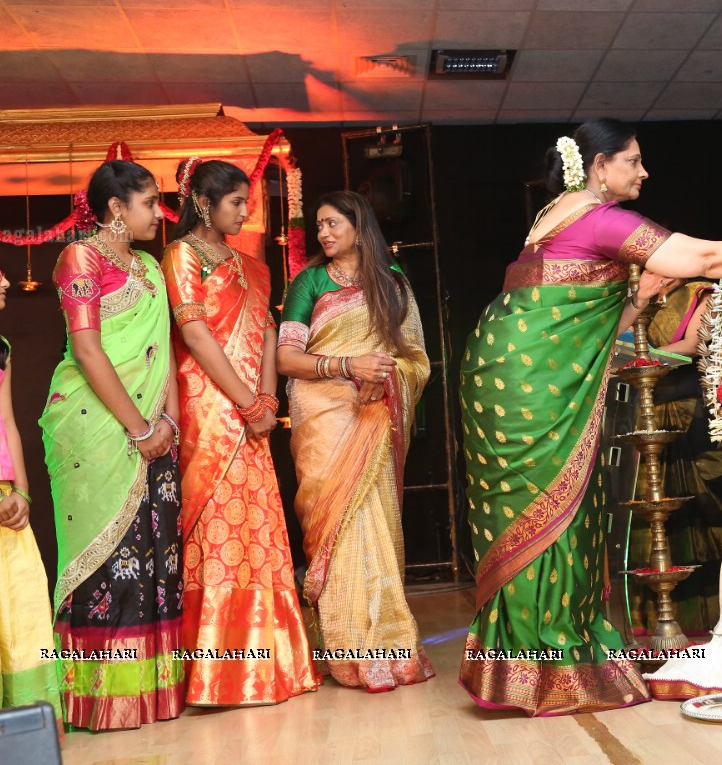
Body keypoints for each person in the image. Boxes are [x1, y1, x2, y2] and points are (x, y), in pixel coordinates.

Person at [458, 118, 722, 716]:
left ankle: (538, 665)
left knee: (565, 506)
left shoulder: (552, 218)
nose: (643, 172)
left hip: (511, 373)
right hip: (532, 385)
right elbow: (708, 256)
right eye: (632, 161)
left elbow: (591, 328)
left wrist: (641, 298)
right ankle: (547, 666)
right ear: (598, 166)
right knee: (552, 512)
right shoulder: (598, 218)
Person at [161, 159, 319, 706]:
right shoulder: (181, 256)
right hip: (209, 409)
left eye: (247, 200)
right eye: (235, 202)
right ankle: (215, 674)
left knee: (259, 528)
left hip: (254, 414)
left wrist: (267, 402)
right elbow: (196, 334)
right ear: (204, 204)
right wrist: (249, 400)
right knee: (217, 532)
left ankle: (270, 667)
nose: (246, 209)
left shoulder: (253, 266)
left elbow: (269, 333)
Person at [39, 160, 185, 730]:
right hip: (97, 428)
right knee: (107, 558)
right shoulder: (80, 258)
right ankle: (102, 701)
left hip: (156, 428)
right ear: (117, 207)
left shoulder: (148, 266)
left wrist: (168, 422)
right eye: (149, 202)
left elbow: (164, 350)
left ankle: (152, 692)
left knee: (156, 554)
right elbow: (88, 351)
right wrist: (141, 429)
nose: (158, 212)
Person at [276, 191, 432, 692]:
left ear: (359, 227)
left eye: (332, 224)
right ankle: (345, 649)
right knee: (336, 525)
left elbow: (415, 358)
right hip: (322, 413)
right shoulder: (310, 280)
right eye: (318, 225)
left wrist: (384, 374)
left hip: (373, 413)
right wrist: (347, 366)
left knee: (375, 523)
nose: (322, 233)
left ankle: (389, 645)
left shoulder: (393, 284)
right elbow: (286, 358)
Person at [0, 239, 63, 732]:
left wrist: (21, 493)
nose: (5, 281)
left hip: (6, 499)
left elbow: (9, 422)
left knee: (19, 604)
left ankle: (24, 725)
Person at [626, 280, 722, 637]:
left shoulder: (698, 294)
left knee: (698, 511)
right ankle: (657, 618)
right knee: (652, 510)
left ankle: (713, 616)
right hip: (648, 411)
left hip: (690, 413)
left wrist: (641, 360)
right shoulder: (635, 299)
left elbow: (693, 345)